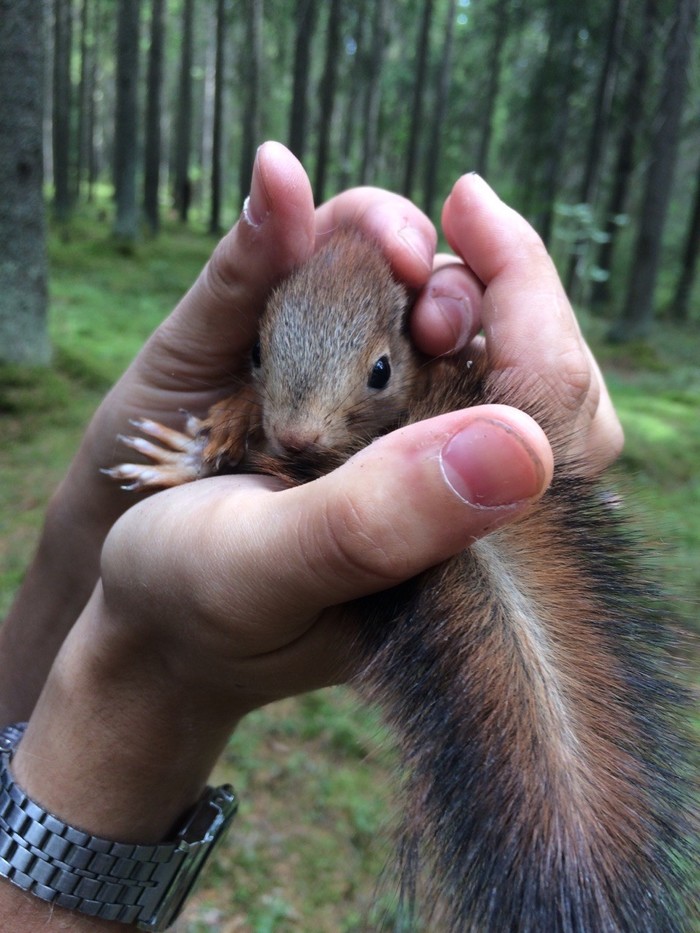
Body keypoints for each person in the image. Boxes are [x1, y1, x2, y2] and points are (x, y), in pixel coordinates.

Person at [0, 142, 623, 931]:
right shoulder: (256, 408)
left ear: (404, 351)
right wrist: (142, 660)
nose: (299, 433)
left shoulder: (422, 377)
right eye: (263, 361)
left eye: (372, 376)